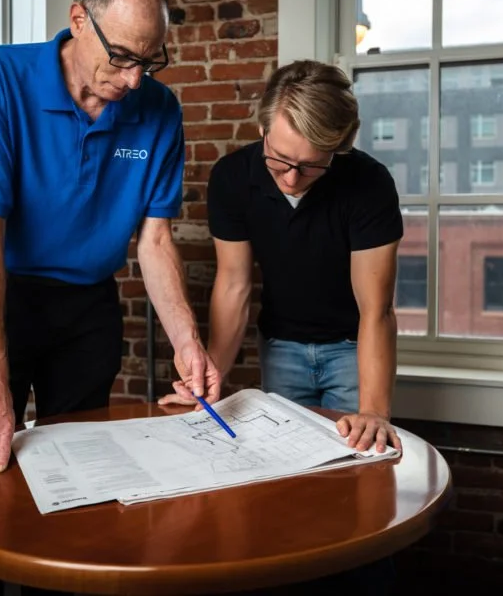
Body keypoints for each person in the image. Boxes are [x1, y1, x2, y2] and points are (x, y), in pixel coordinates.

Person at [0, 0, 219, 596]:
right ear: (77, 21)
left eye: (150, 61)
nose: (135, 78)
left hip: (90, 309)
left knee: (83, 488)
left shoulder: (158, 109)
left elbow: (153, 240)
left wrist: (187, 344)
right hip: (0, 298)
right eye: (121, 57)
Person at [160, 59, 404, 455]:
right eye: (280, 159)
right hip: (280, 345)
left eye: (310, 166)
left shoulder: (369, 184)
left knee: (355, 462)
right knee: (285, 461)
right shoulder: (232, 178)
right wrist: (209, 377)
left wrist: (375, 411)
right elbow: (234, 283)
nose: (291, 178)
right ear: (262, 130)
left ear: (337, 148)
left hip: (353, 347)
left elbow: (376, 310)